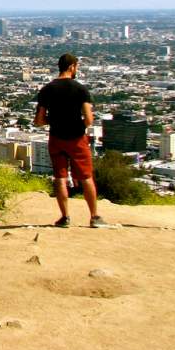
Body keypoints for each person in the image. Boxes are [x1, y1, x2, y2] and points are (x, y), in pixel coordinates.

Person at [34, 53, 107, 228]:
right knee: (86, 176)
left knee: (60, 177)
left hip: (56, 137)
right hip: (76, 138)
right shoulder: (80, 89)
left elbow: (39, 121)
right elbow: (89, 119)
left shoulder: (47, 90)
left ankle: (65, 217)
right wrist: (77, 123)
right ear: (72, 66)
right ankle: (94, 217)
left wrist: (54, 121)